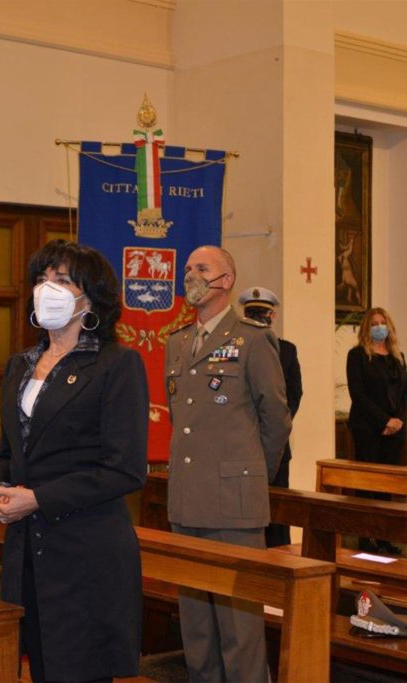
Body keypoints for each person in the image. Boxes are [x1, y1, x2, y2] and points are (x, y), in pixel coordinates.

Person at [0, 240, 149, 683]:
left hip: (86, 549)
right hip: (27, 549)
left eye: (61, 280)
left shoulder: (116, 364)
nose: (47, 289)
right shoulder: (19, 365)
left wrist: (38, 498)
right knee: (39, 667)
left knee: (81, 671)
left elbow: (124, 468)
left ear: (90, 299)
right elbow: (10, 449)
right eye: (41, 279)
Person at [164, 245, 291, 683]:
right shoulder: (178, 342)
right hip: (187, 499)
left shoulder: (252, 339)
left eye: (202, 268)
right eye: (188, 269)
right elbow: (182, 419)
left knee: (239, 628)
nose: (191, 276)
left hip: (234, 503)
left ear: (226, 280)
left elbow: (276, 418)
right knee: (196, 627)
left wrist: (250, 477)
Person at [239, 286, 303, 548]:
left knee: (277, 509)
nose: (258, 319)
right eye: (253, 314)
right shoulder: (234, 349)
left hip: (276, 444)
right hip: (242, 442)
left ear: (272, 316)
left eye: (262, 314)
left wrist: (275, 424)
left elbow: (294, 393)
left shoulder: (286, 350)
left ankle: (280, 556)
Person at [346, 306, 407, 554]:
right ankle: (365, 536)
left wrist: (398, 420)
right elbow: (358, 394)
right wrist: (384, 421)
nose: (379, 327)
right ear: (367, 328)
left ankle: (385, 537)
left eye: (382, 323)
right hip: (368, 429)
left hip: (395, 431)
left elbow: (406, 392)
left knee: (387, 486)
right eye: (374, 324)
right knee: (367, 485)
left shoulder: (397, 356)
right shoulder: (357, 355)